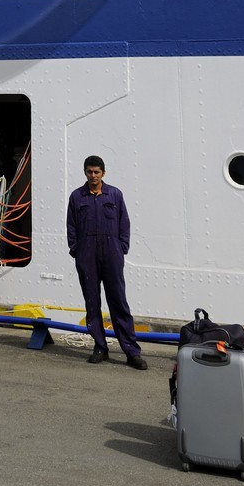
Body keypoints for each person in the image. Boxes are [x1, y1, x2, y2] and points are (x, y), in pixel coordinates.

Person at [66, 155, 148, 370]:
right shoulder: (77, 197)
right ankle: (100, 347)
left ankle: (131, 351)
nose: (93, 176)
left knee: (119, 302)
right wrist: (76, 250)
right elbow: (71, 226)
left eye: (97, 172)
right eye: (89, 172)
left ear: (103, 173)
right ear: (85, 172)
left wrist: (121, 248)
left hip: (112, 254)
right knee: (92, 303)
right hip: (87, 255)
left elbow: (124, 223)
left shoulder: (115, 194)